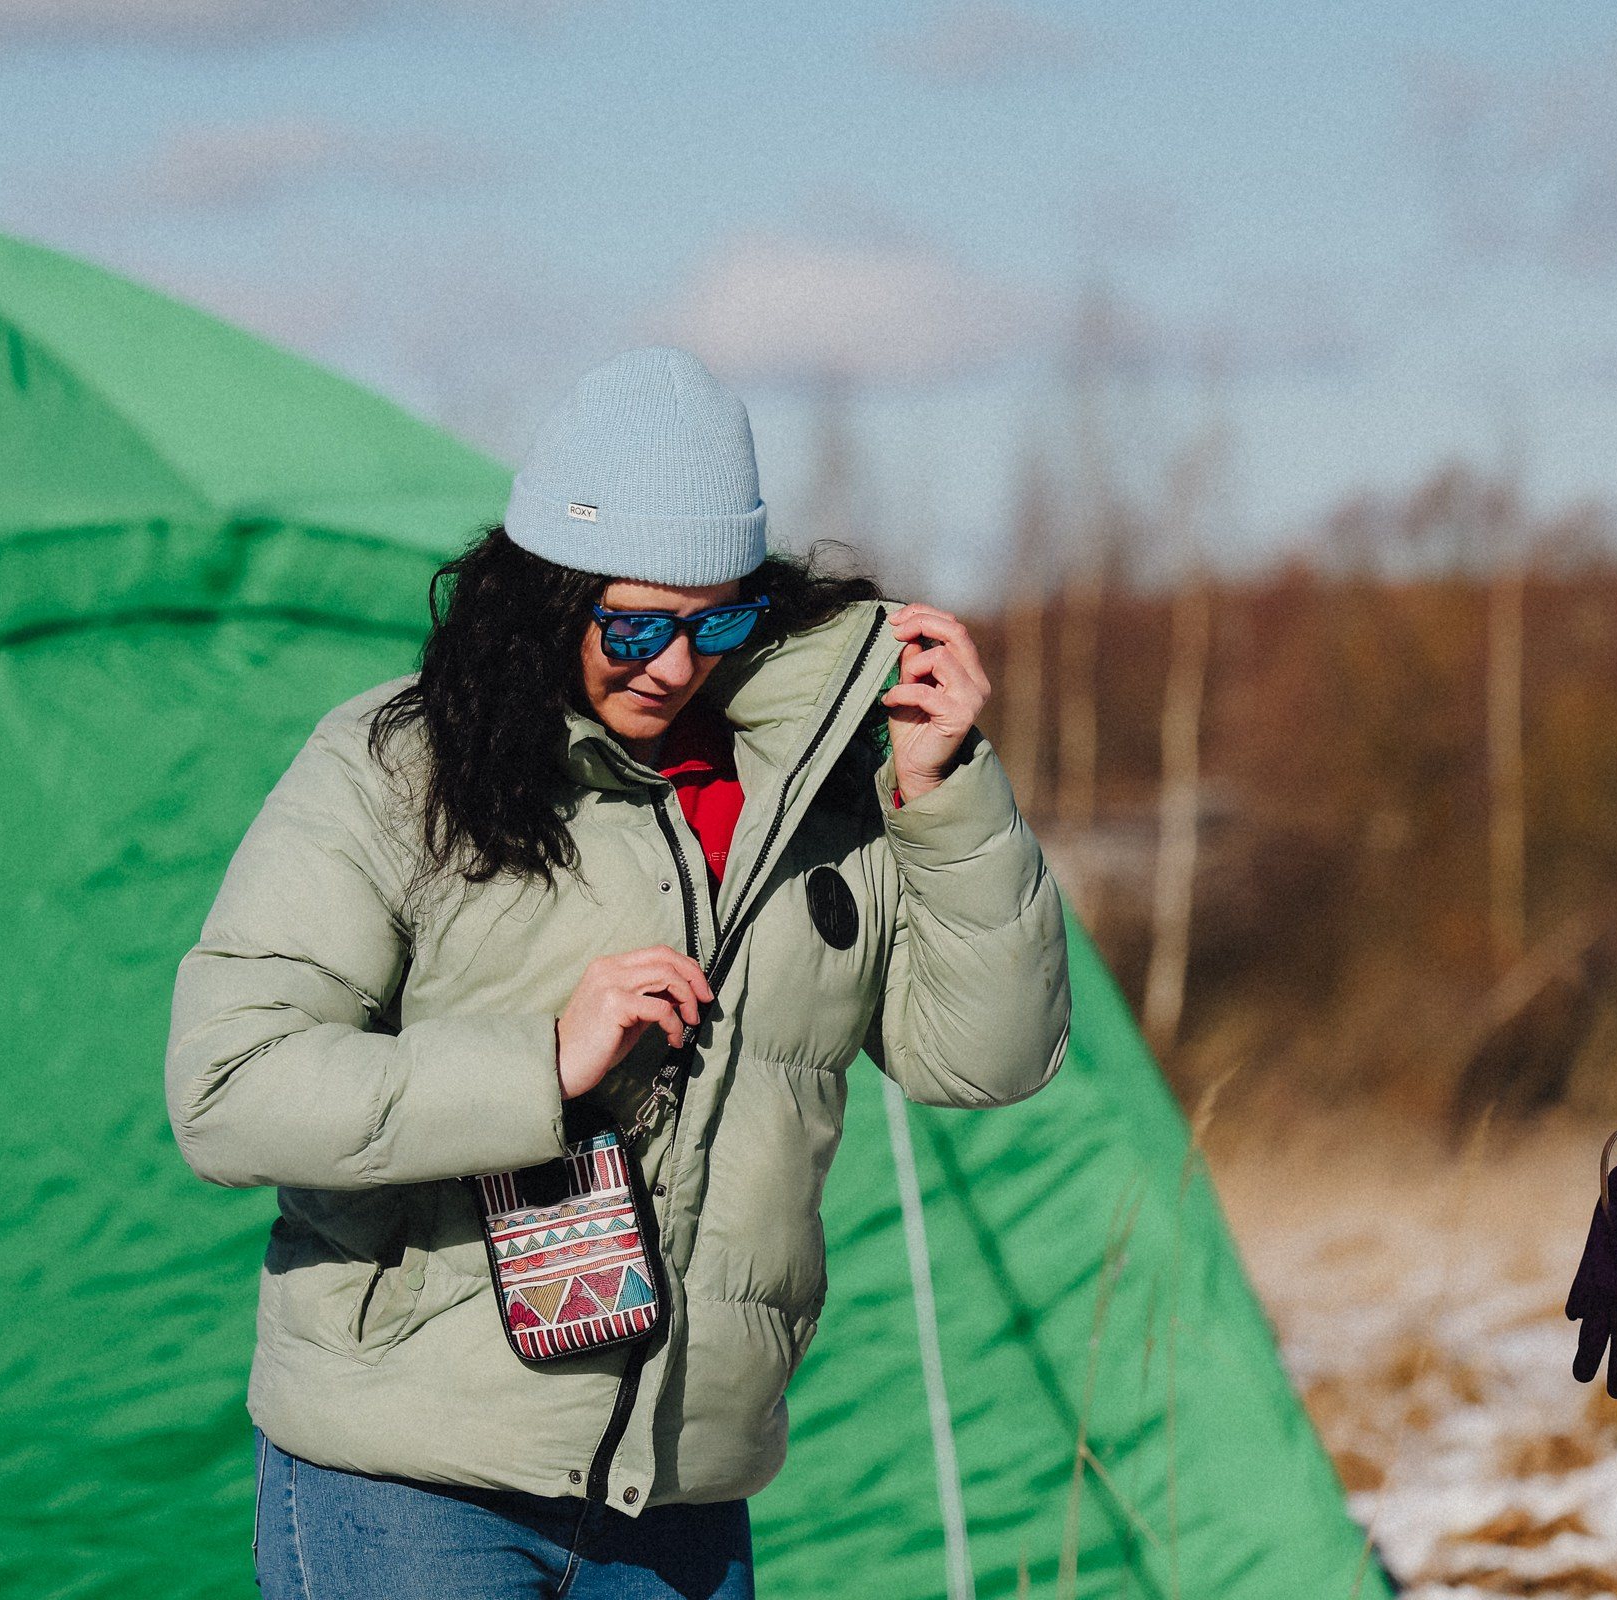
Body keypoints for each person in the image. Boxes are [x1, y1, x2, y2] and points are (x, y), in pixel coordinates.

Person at [166, 347, 1069, 1599]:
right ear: (546, 595)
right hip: (407, 1476)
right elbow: (228, 1085)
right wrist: (542, 1062)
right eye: (632, 621)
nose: (671, 663)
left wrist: (945, 793)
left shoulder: (825, 797)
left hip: (680, 1497)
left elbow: (989, 1058)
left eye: (720, 623)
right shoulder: (396, 768)